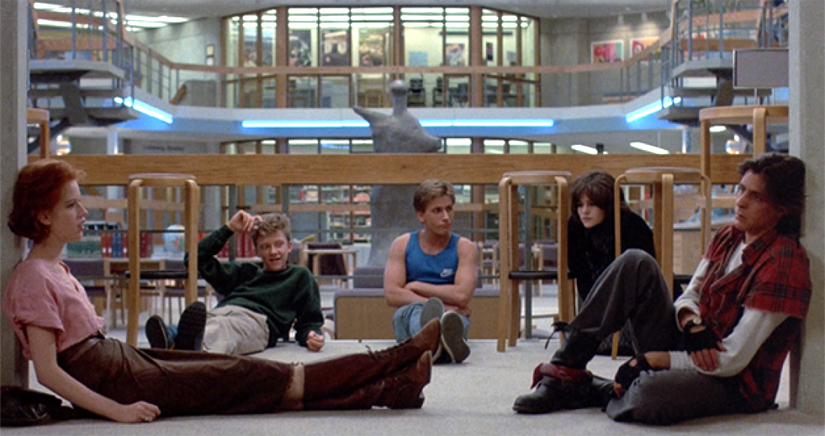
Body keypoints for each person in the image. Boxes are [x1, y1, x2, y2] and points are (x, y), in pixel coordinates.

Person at [2, 159, 441, 423]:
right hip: (120, 375)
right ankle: (396, 360)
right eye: (71, 205)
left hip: (124, 360)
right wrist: (117, 410)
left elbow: (308, 317)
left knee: (248, 380)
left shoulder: (54, 269)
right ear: (43, 216)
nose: (83, 212)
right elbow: (49, 371)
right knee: (257, 378)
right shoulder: (33, 277)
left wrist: (310, 331)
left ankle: (392, 389)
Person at [513, 153, 811, 425]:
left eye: (755, 197)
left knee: (649, 394)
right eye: (740, 189)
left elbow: (732, 360)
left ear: (781, 209)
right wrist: (691, 324)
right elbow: (690, 294)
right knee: (635, 261)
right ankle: (563, 372)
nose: (740, 202)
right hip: (689, 344)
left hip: (733, 382)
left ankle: (593, 390)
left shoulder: (784, 262)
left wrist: (651, 360)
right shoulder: (729, 236)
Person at [144, 211, 325, 355]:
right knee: (208, 322)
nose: (273, 251)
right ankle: (173, 338)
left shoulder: (299, 277)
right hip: (223, 311)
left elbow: (309, 322)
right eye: (265, 246)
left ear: (289, 246)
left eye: (278, 244)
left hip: (258, 322)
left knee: (224, 330)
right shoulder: (245, 272)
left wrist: (311, 335)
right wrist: (229, 228)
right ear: (257, 251)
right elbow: (194, 259)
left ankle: (182, 344)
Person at [384, 179, 478, 364]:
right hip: (412, 311)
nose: (446, 217)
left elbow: (461, 296)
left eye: (449, 209)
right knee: (416, 312)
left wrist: (417, 286)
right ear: (421, 215)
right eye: (437, 211)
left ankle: (433, 347)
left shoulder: (464, 247)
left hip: (452, 315)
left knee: (454, 320)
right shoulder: (402, 244)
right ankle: (437, 346)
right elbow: (392, 294)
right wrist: (439, 306)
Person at [567, 171, 655, 355]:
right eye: (580, 205)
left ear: (607, 205)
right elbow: (579, 273)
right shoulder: (575, 226)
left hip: (634, 308)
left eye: (592, 204)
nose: (584, 211)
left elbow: (643, 280)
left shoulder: (632, 225)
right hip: (596, 304)